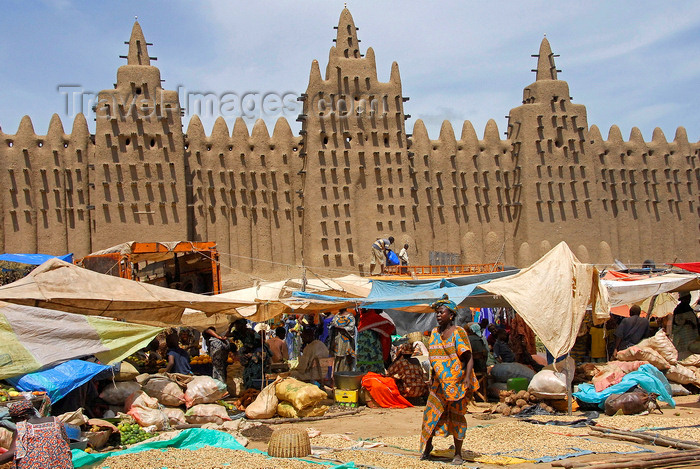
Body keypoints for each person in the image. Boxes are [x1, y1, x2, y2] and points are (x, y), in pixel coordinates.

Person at [420, 295, 478, 465]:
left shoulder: (458, 333)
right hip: (439, 384)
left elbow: (468, 357)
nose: (438, 315)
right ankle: (428, 446)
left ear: (451, 315)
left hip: (456, 384)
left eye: (441, 312)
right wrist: (431, 378)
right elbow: (433, 360)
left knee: (457, 417)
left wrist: (467, 378)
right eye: (437, 313)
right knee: (431, 415)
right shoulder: (434, 333)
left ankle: (458, 454)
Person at [0, 398, 72, 468]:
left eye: (15, 420)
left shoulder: (21, 427)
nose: (16, 423)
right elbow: (65, 443)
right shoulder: (56, 421)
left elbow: (13, 452)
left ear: (22, 417)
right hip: (61, 464)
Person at [356, 309, 396, 373]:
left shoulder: (362, 319)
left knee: (363, 363)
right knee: (374, 364)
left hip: (362, 346)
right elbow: (390, 326)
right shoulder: (373, 318)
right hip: (372, 346)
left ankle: (363, 379)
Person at [329, 308, 357, 372]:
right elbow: (332, 324)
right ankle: (336, 375)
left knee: (345, 358)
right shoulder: (337, 315)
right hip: (337, 341)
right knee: (336, 359)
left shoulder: (350, 316)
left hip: (345, 342)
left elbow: (351, 328)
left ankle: (345, 375)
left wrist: (341, 328)